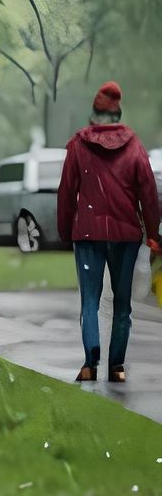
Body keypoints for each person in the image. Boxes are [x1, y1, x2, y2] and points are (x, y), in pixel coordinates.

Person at [56, 81, 161, 384]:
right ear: (118, 116)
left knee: (90, 300)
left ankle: (90, 363)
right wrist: (153, 233)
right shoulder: (134, 146)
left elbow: (66, 193)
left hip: (87, 235)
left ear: (94, 114)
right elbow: (149, 195)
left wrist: (66, 230)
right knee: (122, 303)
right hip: (125, 236)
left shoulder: (78, 145)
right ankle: (117, 367)